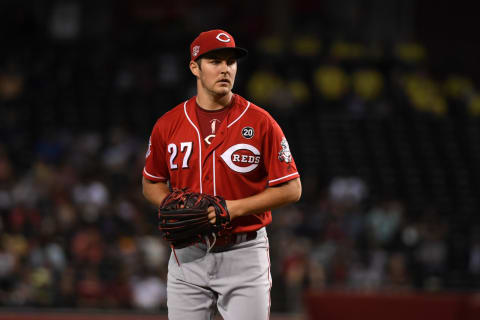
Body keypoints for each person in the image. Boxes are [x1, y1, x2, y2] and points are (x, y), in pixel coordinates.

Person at [141, 29, 302, 320]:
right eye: (215, 61)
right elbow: (151, 182)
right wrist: (170, 203)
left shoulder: (261, 122)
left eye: (231, 61)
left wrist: (231, 209)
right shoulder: (169, 124)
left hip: (244, 252)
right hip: (187, 252)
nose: (225, 68)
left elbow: (292, 188)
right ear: (194, 67)